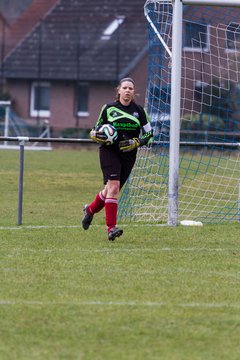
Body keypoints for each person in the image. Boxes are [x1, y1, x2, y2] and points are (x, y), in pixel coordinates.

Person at [82, 77, 153, 241]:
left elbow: (150, 135)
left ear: (134, 92)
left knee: (110, 192)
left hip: (129, 155)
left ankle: (90, 210)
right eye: (125, 88)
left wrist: (138, 141)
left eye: (131, 88)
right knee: (113, 188)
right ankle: (111, 229)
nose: (128, 90)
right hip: (109, 152)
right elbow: (94, 130)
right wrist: (96, 135)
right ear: (119, 90)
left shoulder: (140, 111)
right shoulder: (108, 108)